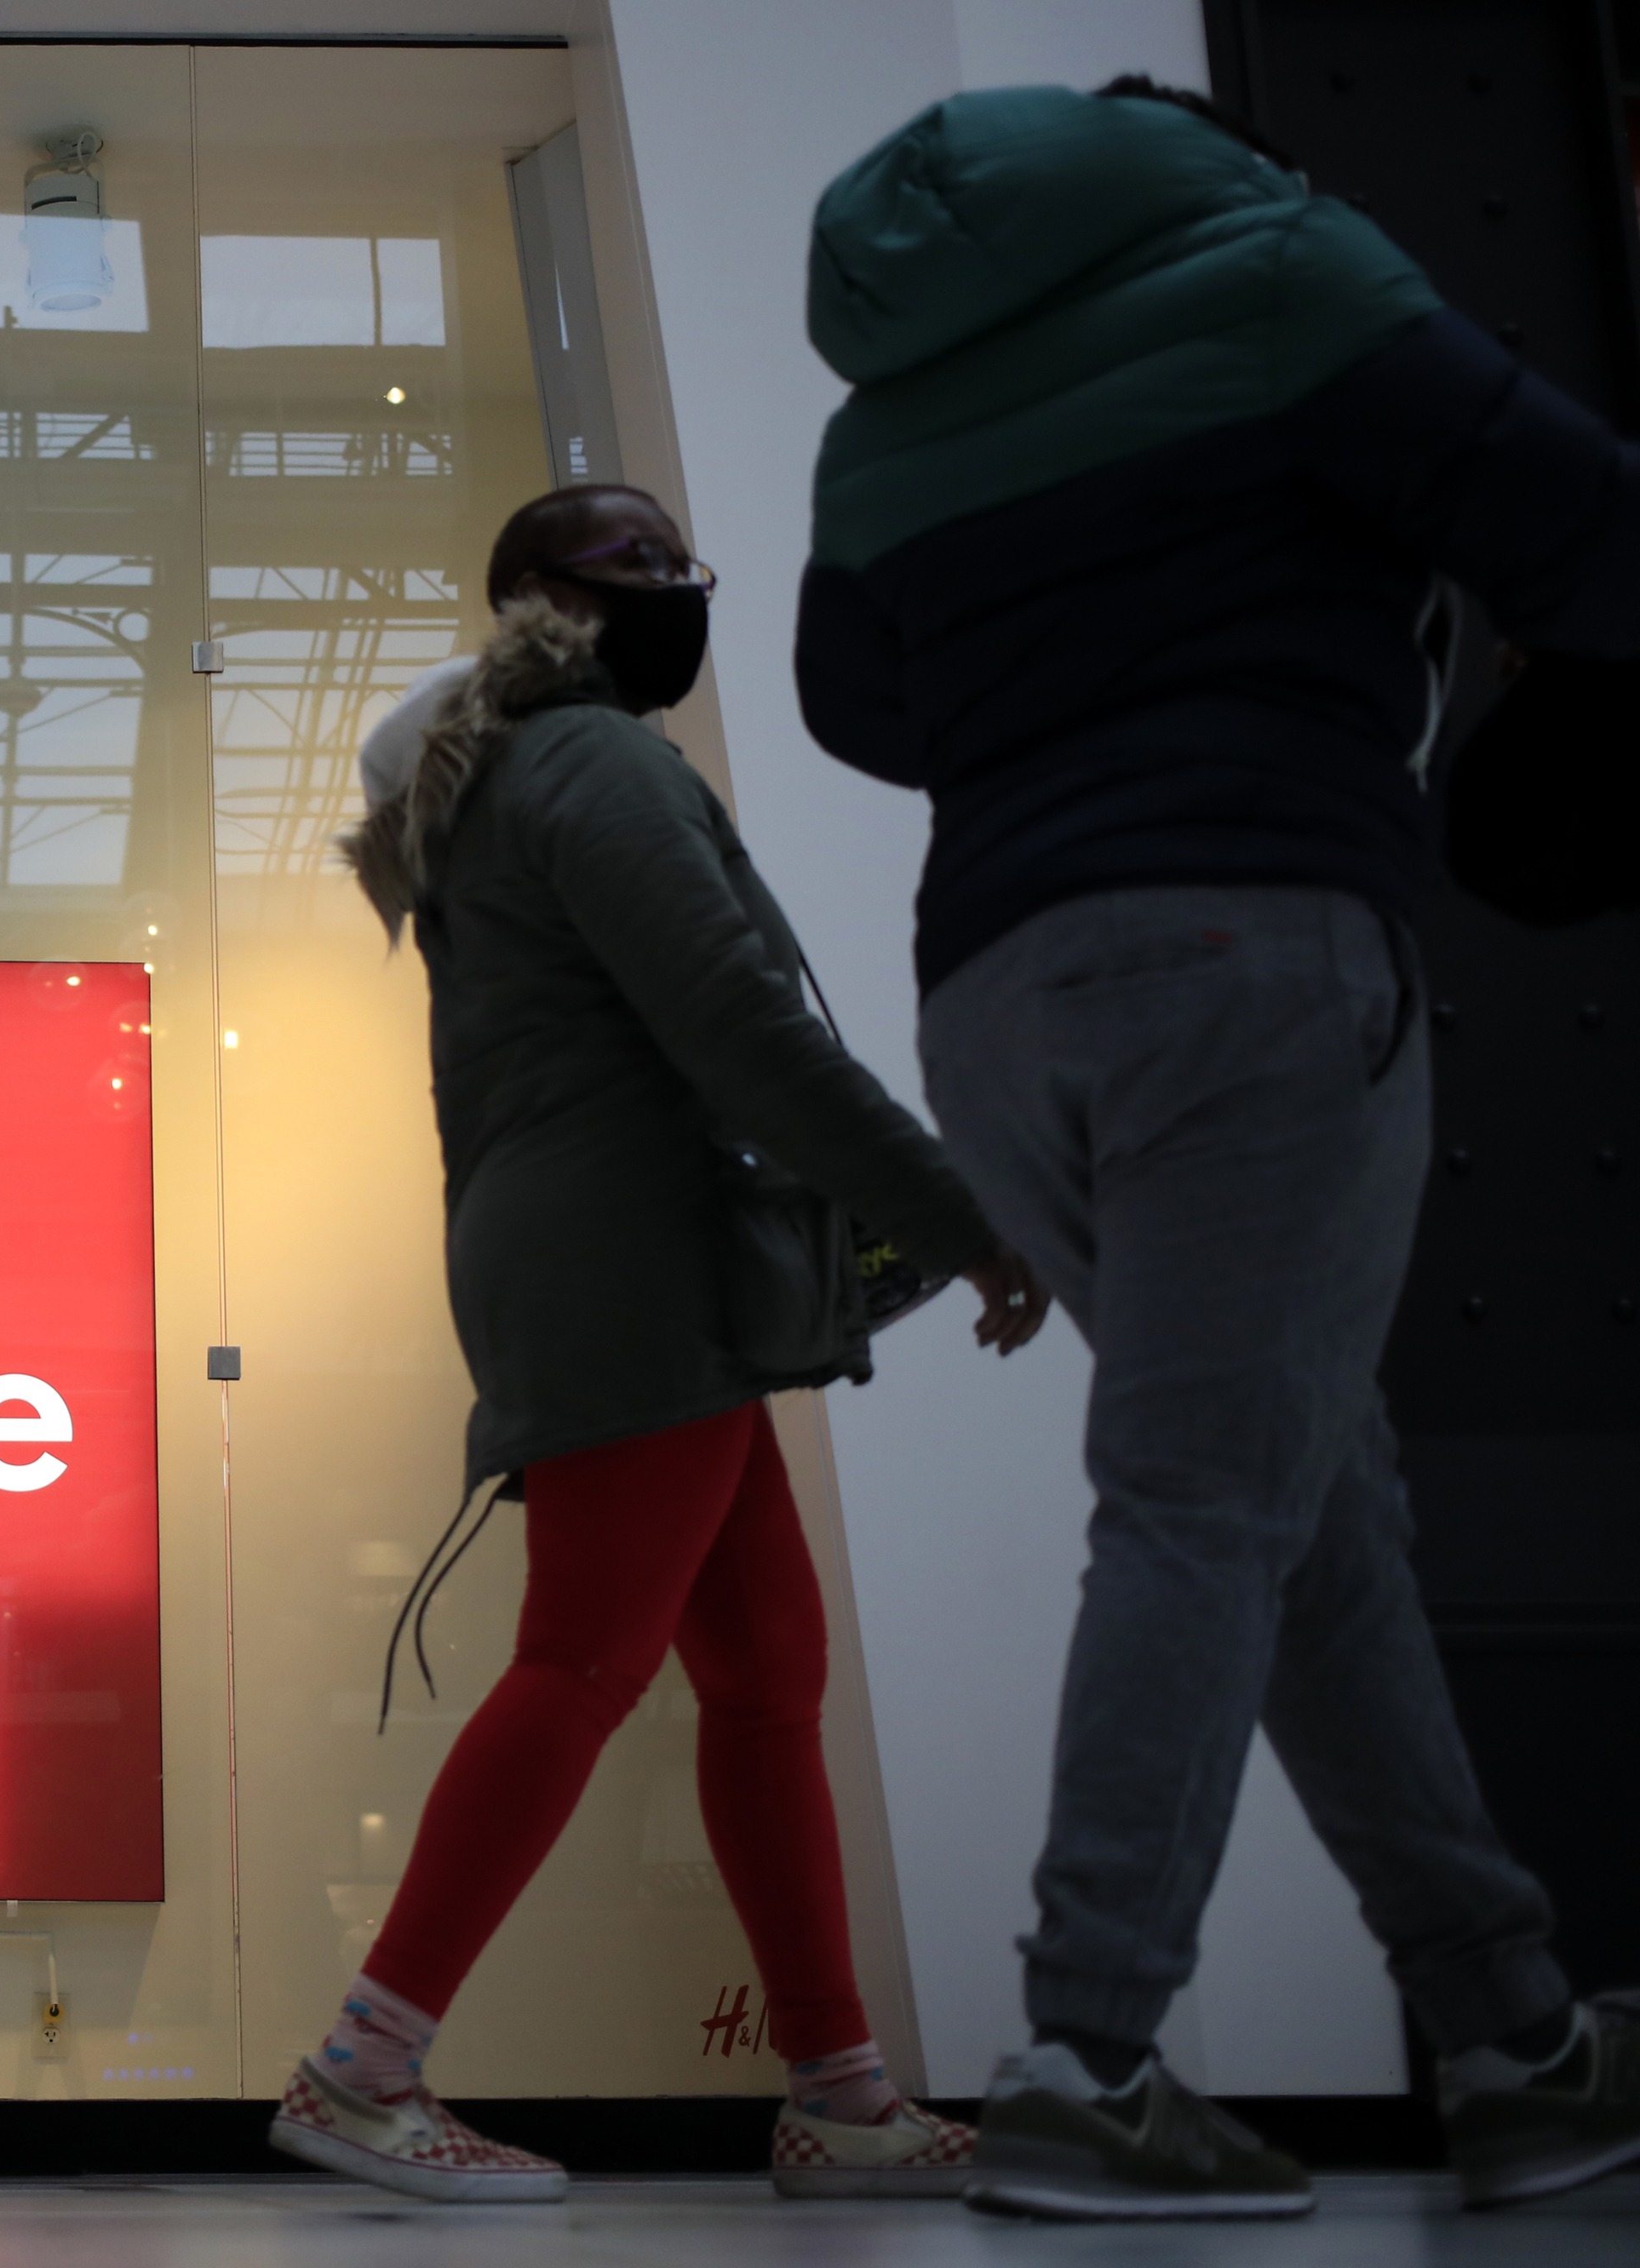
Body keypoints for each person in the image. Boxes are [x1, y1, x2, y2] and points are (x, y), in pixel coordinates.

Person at [800, 79, 1640, 2219]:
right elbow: (1578, 520)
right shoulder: (1277, 265)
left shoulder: (879, 411)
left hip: (996, 1002)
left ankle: (1514, 2038)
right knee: (1202, 1500)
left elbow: (857, 705)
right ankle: (1087, 2055)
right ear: (1208, 157)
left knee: (1295, 1500)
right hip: (1250, 942)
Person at [268, 483, 1050, 2205]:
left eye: (677, 561)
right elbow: (734, 1027)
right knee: (584, 1661)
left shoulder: (491, 785)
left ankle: (837, 2095)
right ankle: (359, 2068)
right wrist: (956, 1212)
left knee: (763, 1670)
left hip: (615, 1254)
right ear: (541, 599)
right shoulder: (591, 765)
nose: (674, 589)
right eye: (638, 568)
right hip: (632, 1261)